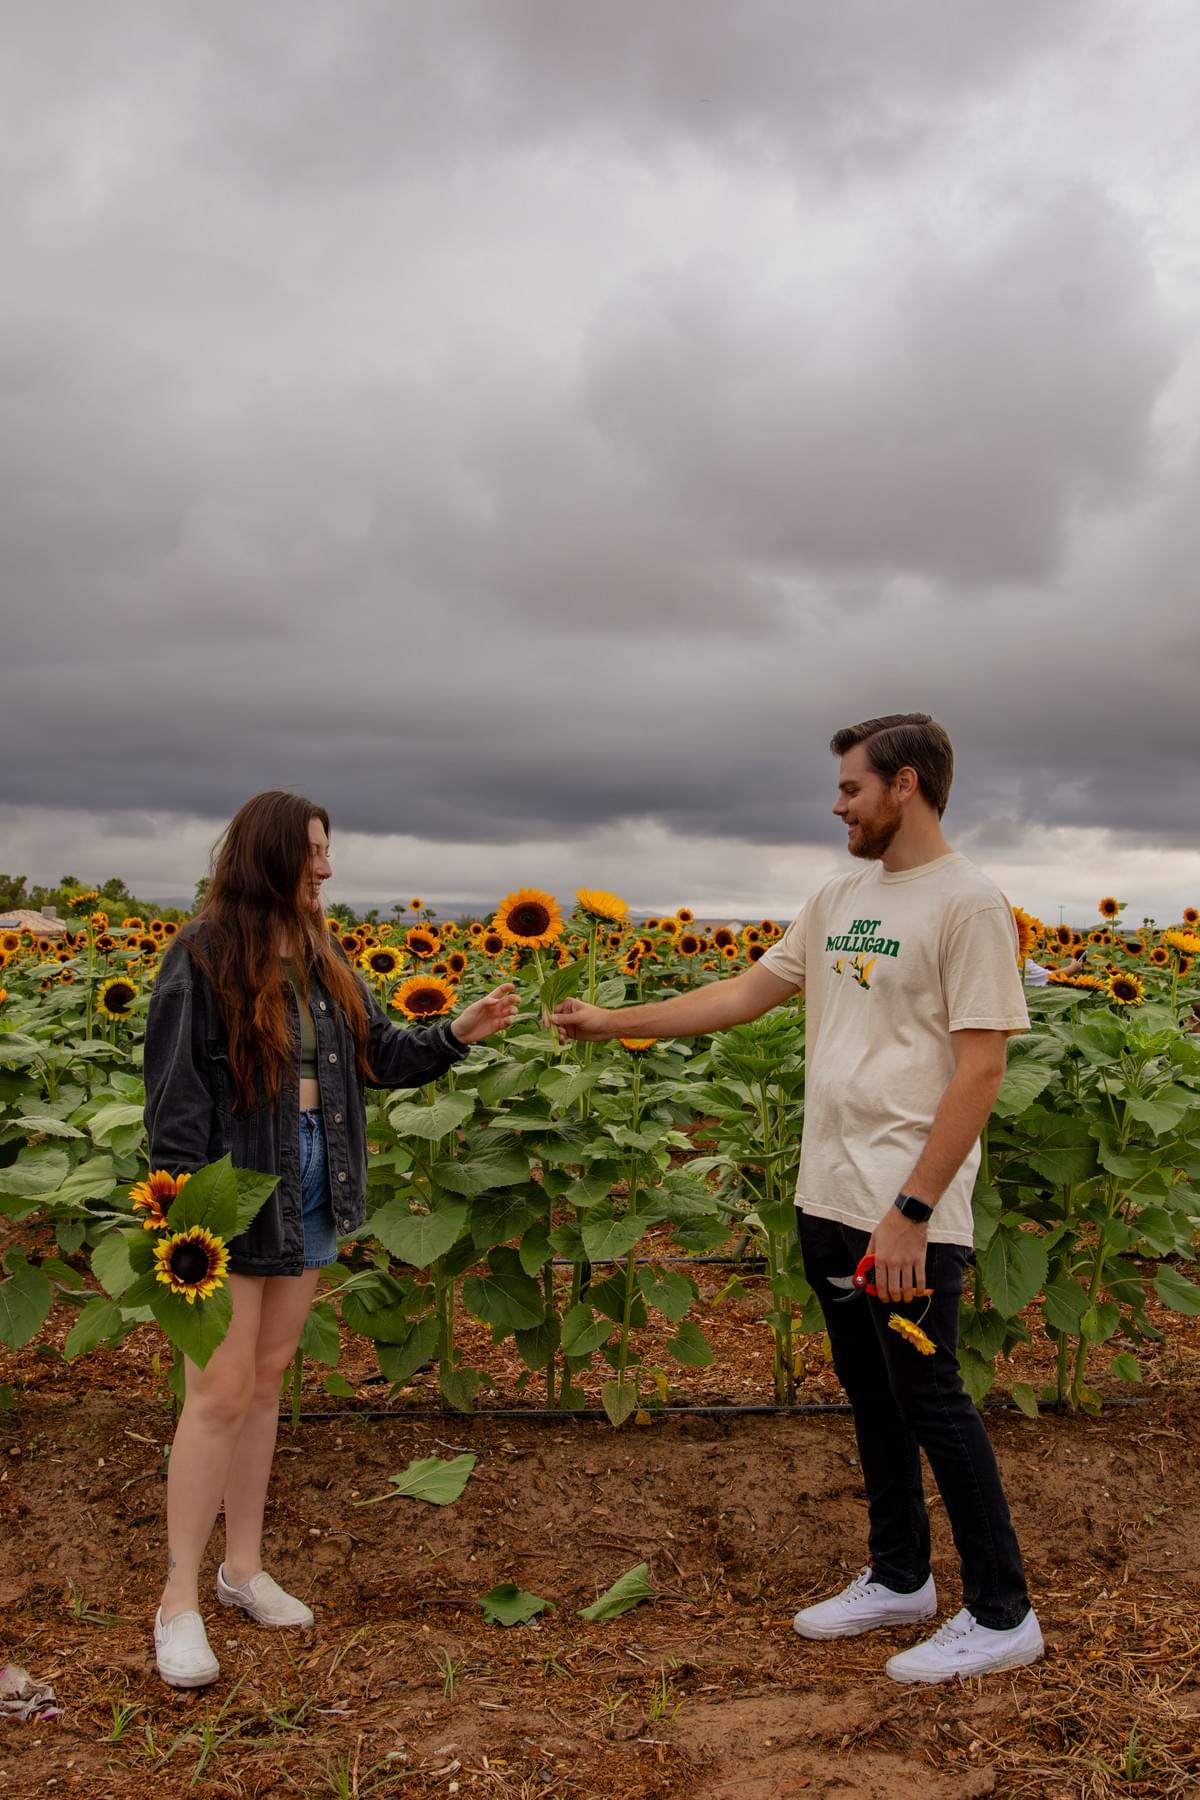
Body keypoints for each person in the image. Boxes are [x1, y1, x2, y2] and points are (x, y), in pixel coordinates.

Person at [551, 714, 1043, 1684]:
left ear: (904, 785)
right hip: (832, 1197)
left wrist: (911, 1208)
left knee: (931, 1396)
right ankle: (901, 1576)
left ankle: (1002, 1611)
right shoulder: (837, 895)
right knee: (871, 1394)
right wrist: (613, 1023)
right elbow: (741, 995)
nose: (837, 804)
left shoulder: (970, 904)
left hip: (907, 1212)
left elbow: (981, 1070)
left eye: (851, 788)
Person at [143, 791, 518, 1687]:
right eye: (313, 850)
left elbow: (376, 1056)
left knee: (268, 1382)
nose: (326, 866)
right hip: (231, 1193)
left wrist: (457, 1033)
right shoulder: (199, 957)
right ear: (270, 856)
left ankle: (243, 1571)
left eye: (327, 849)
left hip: (317, 1182)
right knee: (219, 1391)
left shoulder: (319, 954)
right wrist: (187, 1222)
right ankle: (177, 1602)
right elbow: (175, 1106)